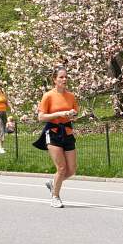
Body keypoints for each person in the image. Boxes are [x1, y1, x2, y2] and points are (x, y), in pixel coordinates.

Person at [37, 66, 79, 208]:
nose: (64, 79)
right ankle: (55, 196)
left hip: (67, 131)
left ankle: (53, 183)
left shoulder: (71, 96)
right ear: (54, 79)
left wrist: (72, 114)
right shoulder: (48, 96)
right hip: (53, 131)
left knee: (71, 170)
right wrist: (58, 115)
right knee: (61, 168)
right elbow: (41, 117)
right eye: (61, 77)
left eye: (66, 77)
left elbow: (75, 114)